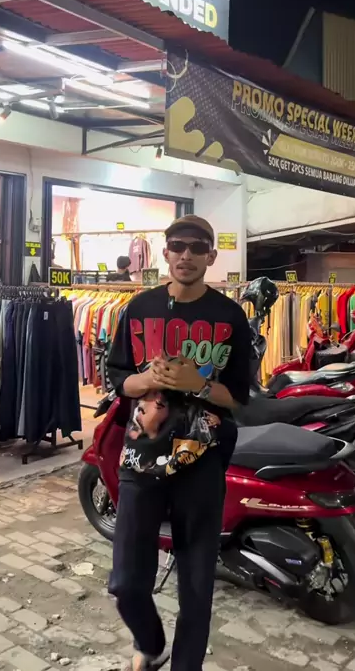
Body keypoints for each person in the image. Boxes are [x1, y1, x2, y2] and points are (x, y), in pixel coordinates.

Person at [107, 215, 252, 671]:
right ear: (165, 252)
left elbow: (240, 398)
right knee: (126, 580)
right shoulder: (139, 308)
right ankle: (150, 643)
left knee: (195, 583)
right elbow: (117, 379)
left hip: (202, 460)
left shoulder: (230, 316)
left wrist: (198, 384)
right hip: (142, 454)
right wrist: (146, 379)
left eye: (197, 247)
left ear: (211, 255)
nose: (186, 255)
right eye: (178, 246)